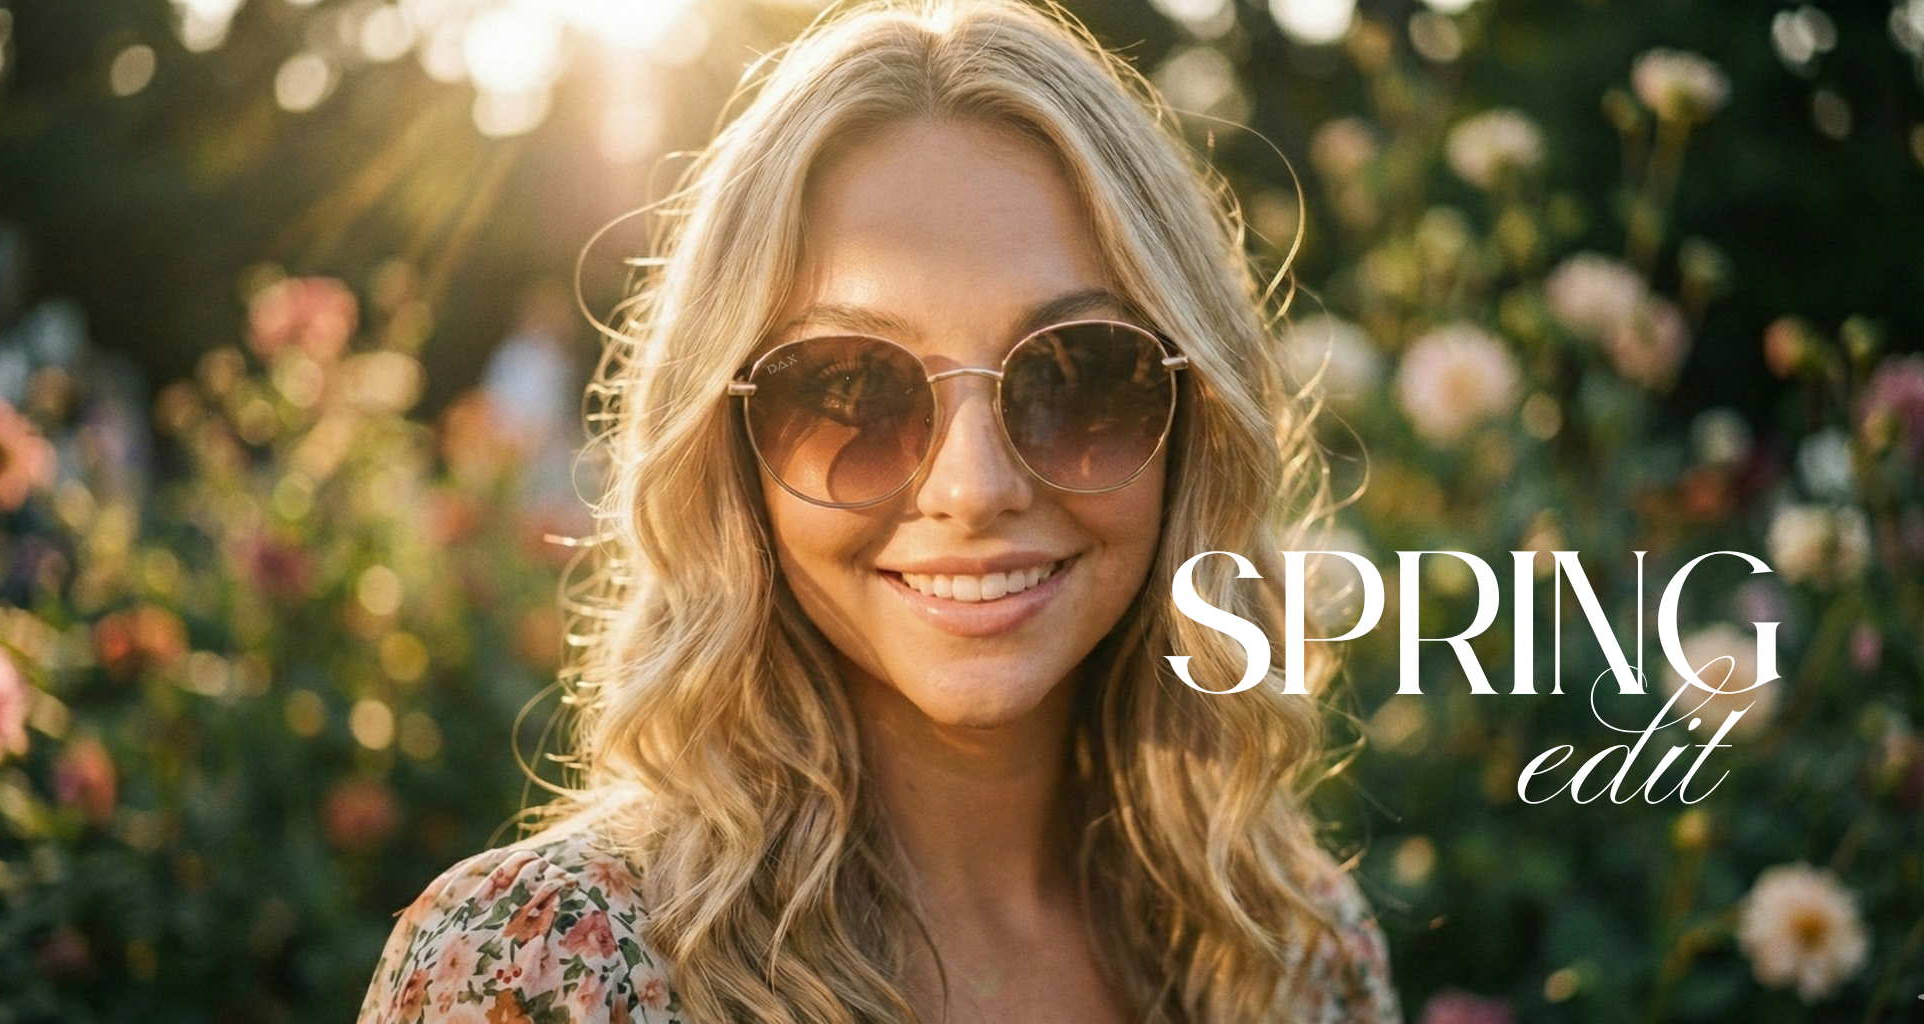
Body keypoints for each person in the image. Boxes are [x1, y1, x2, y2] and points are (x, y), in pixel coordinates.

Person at [357, 2, 1402, 1022]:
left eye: (1078, 374)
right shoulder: (543, 965)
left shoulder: (1289, 954)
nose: (973, 486)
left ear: (1193, 422)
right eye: (848, 386)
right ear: (727, 449)